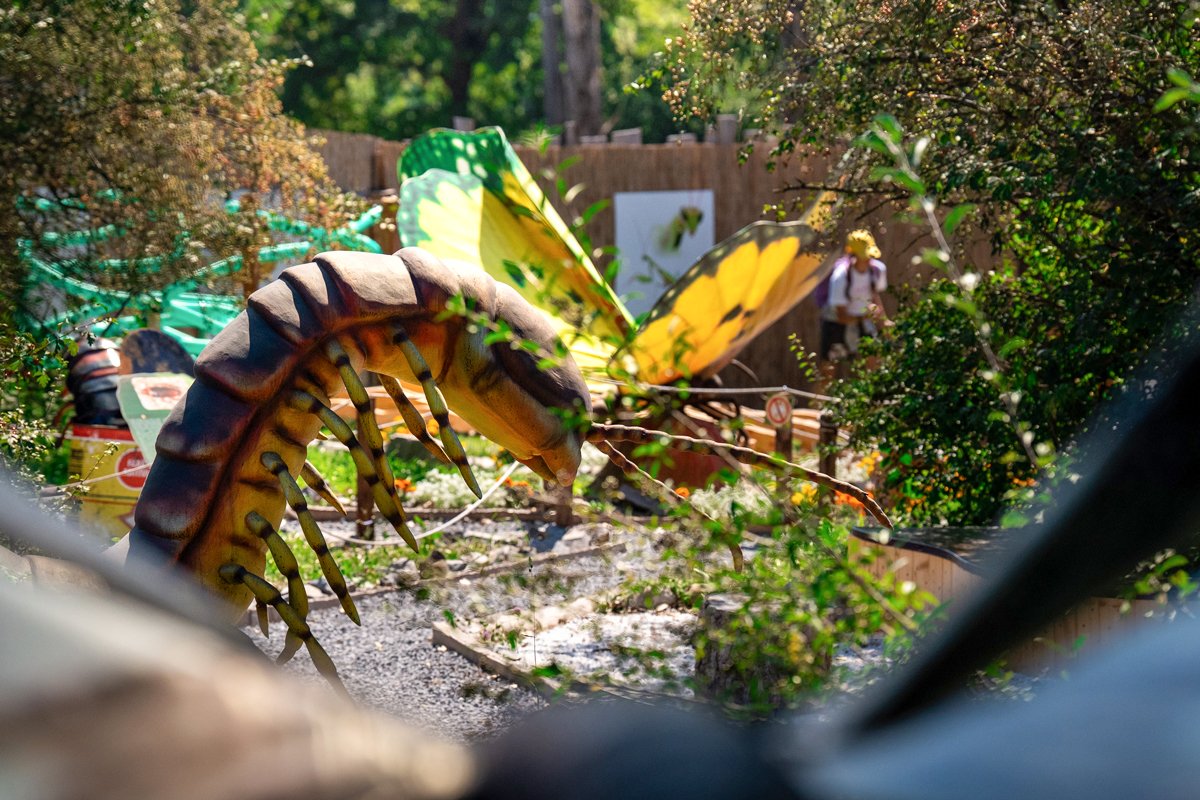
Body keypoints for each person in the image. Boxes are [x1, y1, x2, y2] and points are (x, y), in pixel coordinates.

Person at [820, 229, 890, 365]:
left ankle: (872, 386)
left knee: (873, 360)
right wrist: (866, 316)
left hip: (863, 322)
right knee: (829, 367)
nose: (866, 260)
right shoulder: (840, 277)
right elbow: (841, 316)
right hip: (837, 323)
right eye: (862, 256)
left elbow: (874, 294)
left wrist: (883, 321)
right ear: (852, 254)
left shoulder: (877, 271)